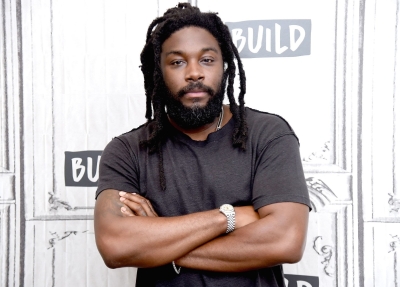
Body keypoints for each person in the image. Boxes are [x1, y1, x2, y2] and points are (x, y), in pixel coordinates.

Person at [94, 3, 311, 287]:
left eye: (207, 60)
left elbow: (285, 241)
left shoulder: (268, 135)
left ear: (224, 65)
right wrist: (229, 217)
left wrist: (160, 244)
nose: (194, 73)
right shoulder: (128, 150)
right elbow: (116, 245)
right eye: (177, 62)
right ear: (158, 72)